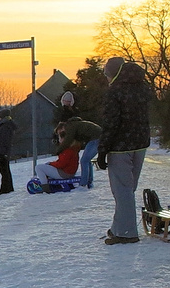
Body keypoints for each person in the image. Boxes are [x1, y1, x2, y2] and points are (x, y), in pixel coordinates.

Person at [97, 57, 153, 244]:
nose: (106, 79)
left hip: (120, 146)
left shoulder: (115, 91)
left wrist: (103, 150)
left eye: (107, 74)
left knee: (122, 190)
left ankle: (127, 233)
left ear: (113, 73)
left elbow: (111, 123)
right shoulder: (143, 88)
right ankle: (117, 228)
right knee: (128, 189)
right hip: (140, 144)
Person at [60, 116, 103, 189]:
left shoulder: (71, 126)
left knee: (84, 161)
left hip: (96, 139)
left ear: (63, 126)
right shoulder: (78, 125)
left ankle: (83, 184)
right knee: (87, 160)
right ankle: (89, 181)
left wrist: (59, 149)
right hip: (100, 137)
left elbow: (68, 139)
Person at [0, 111, 17, 195]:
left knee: (4, 170)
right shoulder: (8, 125)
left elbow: (3, 140)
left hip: (2, 151)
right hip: (4, 151)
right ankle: (8, 187)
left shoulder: (4, 127)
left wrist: (1, 152)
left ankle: (5, 188)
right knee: (6, 170)